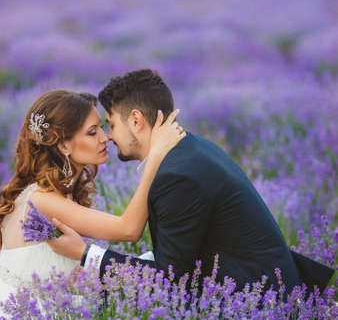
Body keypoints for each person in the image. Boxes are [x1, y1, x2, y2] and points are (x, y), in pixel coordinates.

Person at [49, 69, 334, 296]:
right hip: (256, 285)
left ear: (136, 120)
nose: (108, 136)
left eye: (111, 124)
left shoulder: (177, 177)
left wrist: (88, 254)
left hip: (254, 305)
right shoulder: (191, 150)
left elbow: (169, 281)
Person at [0, 89, 185, 308]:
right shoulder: (42, 200)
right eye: (92, 132)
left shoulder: (61, 195)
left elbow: (71, 277)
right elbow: (128, 230)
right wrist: (156, 156)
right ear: (63, 145)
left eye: (102, 128)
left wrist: (149, 269)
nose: (105, 137)